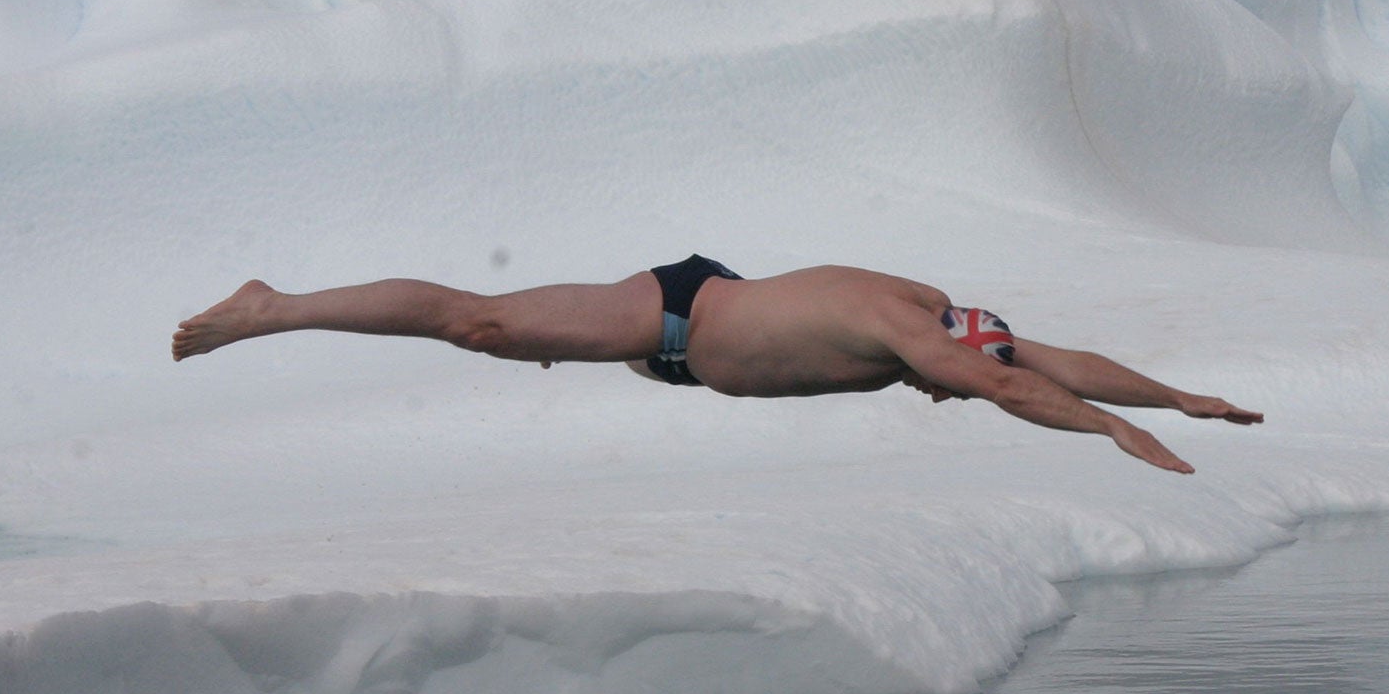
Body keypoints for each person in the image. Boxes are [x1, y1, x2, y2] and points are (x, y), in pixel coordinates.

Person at [172, 255, 1262, 473]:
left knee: (497, 334)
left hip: (697, 353)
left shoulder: (954, 323)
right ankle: (275, 308)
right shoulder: (913, 331)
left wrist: (1177, 397)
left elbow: (1049, 358)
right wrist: (1115, 432)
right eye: (947, 381)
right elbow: (1016, 384)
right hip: (675, 318)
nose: (943, 393)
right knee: (481, 324)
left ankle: (282, 308)